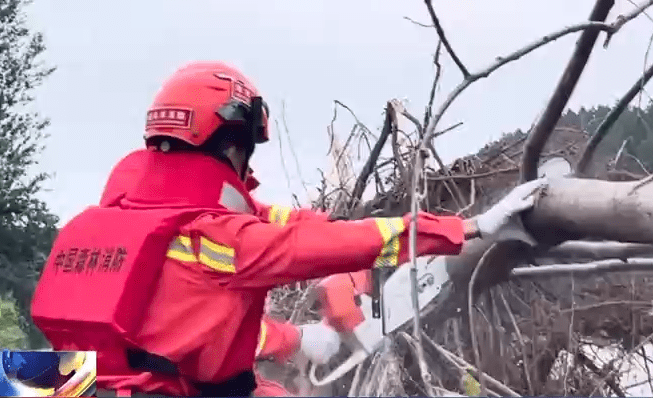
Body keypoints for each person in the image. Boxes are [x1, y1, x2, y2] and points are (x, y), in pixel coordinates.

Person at [31, 61, 546, 397]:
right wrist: (469, 227)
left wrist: (303, 331)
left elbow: (277, 235)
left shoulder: (135, 213)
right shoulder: (222, 241)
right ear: (230, 141)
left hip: (78, 380)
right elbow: (291, 246)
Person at [95, 148, 341, 396]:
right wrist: (297, 338)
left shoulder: (113, 232)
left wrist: (331, 227)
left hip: (71, 376)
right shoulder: (189, 243)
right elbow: (210, 335)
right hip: (136, 385)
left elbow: (265, 216)